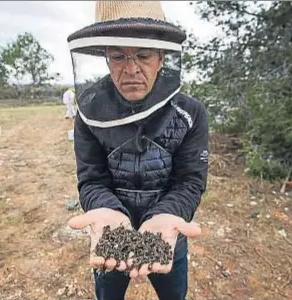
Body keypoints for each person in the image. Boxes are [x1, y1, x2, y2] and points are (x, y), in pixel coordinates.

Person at [66, 1, 209, 299]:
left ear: (161, 57)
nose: (131, 69)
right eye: (118, 56)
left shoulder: (190, 112)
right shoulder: (89, 112)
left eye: (143, 55)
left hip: (167, 232)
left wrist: (168, 214)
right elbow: (91, 179)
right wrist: (107, 211)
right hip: (110, 230)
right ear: (106, 58)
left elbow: (190, 180)